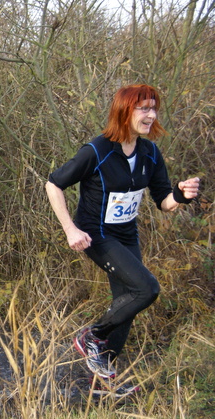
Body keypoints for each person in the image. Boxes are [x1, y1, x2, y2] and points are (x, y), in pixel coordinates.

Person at [45, 84, 200, 396]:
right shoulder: (97, 151)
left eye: (154, 107)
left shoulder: (149, 153)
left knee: (127, 304)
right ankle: (92, 335)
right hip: (96, 234)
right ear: (124, 111)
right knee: (147, 288)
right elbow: (53, 183)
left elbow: (163, 201)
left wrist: (181, 195)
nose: (151, 114)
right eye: (144, 108)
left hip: (127, 235)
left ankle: (103, 384)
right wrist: (70, 230)